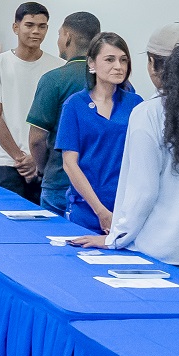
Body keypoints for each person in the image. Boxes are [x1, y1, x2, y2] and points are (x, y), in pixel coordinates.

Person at [71, 32, 179, 277]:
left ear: (153, 65)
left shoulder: (147, 114)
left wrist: (115, 238)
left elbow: (143, 192)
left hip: (160, 249)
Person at [56, 33, 144, 231]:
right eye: (109, 60)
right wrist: (100, 211)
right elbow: (70, 164)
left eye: (123, 60)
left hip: (125, 210)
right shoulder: (74, 105)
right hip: (86, 209)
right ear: (92, 63)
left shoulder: (136, 104)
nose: (118, 66)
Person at [0, 2, 62, 202]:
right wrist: (21, 158)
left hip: (45, 165)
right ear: (15, 27)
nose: (36, 31)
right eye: (30, 25)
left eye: (42, 26)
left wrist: (36, 160)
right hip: (7, 163)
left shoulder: (58, 67)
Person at [27, 11, 101, 214]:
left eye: (59, 34)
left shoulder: (54, 79)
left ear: (67, 37)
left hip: (60, 181)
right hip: (102, 183)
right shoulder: (118, 82)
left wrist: (44, 170)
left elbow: (36, 139)